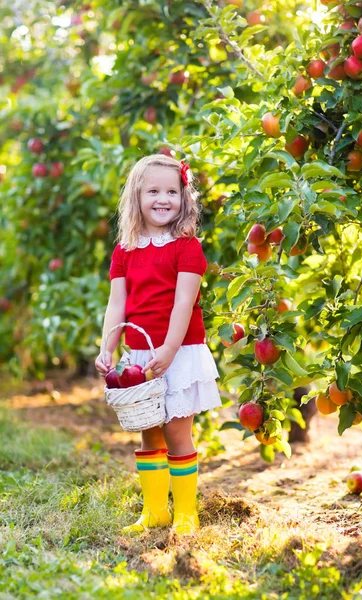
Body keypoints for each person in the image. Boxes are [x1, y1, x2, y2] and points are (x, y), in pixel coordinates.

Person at [95, 154, 222, 536]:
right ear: (137, 196)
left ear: (184, 198)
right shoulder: (125, 249)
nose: (163, 199)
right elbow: (117, 303)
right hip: (140, 353)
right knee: (148, 430)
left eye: (172, 191)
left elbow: (184, 303)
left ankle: (185, 513)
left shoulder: (187, 247)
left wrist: (167, 349)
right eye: (153, 191)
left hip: (179, 352)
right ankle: (154, 511)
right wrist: (108, 348)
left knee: (178, 432)